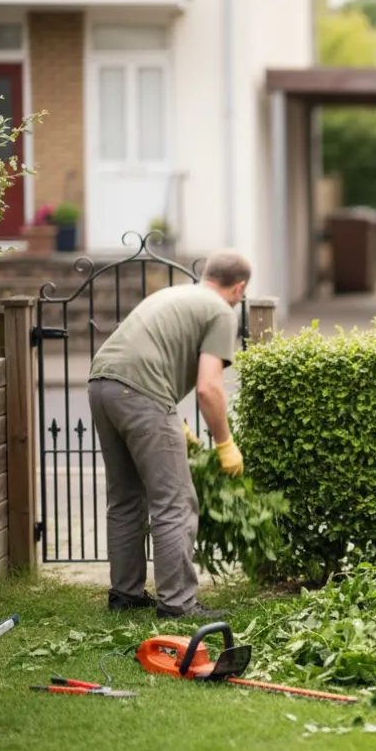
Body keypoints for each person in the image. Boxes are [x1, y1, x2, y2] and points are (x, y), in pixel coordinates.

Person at [86, 250, 249, 619]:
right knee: (175, 501)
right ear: (238, 288)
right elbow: (209, 387)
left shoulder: (175, 294)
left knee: (126, 496)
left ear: (207, 275)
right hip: (140, 391)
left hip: (101, 384)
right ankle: (179, 603)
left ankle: (124, 594)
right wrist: (225, 443)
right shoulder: (222, 311)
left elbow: (157, 352)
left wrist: (178, 422)